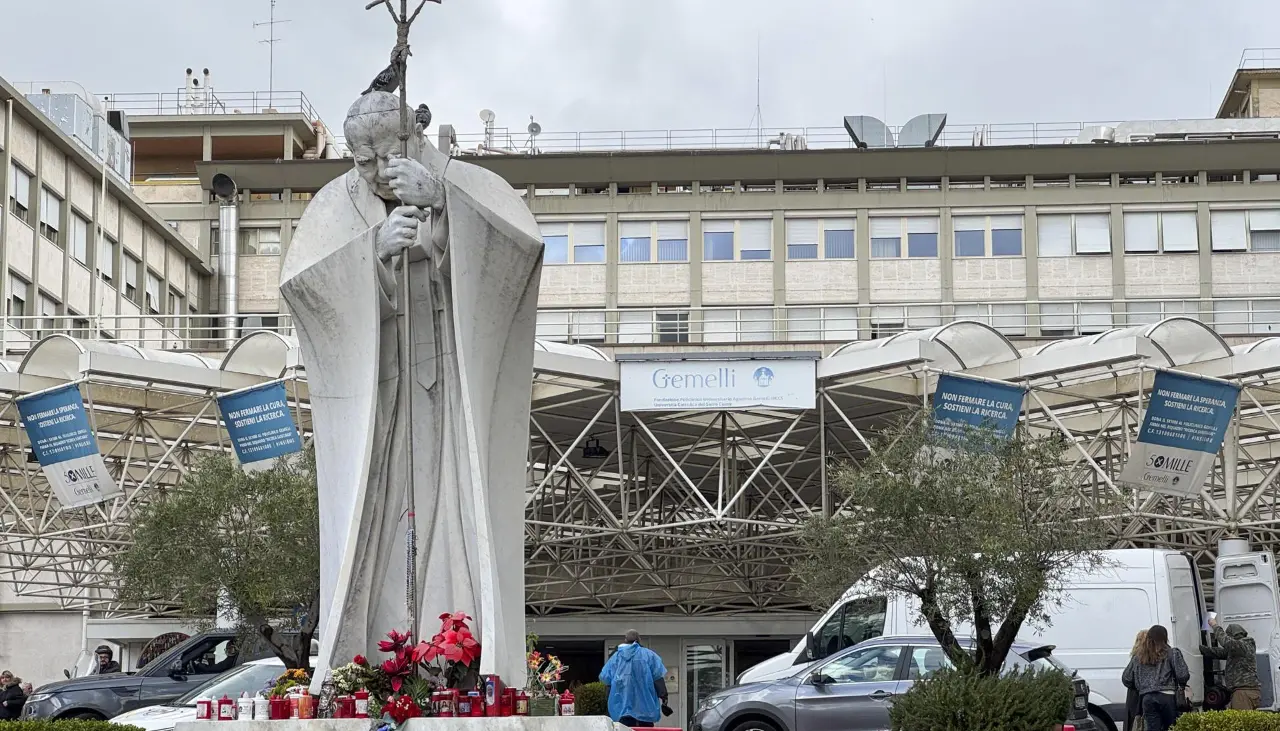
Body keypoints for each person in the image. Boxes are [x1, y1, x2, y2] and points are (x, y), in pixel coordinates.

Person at [284, 89, 542, 689]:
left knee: (454, 504)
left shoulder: (469, 183)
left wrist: (447, 208)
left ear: (415, 140)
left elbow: (519, 254)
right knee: (377, 512)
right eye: (360, 159)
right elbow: (303, 289)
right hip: (378, 393)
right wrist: (369, 255)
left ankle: (459, 655)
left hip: (453, 388)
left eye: (385, 156)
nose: (373, 172)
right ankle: (374, 664)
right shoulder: (335, 205)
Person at [1122, 625, 1190, 731]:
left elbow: (1126, 678)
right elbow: (1183, 675)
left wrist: (1141, 686)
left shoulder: (1138, 656)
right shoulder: (1172, 653)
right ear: (1165, 638)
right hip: (1168, 697)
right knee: (1172, 728)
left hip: (1147, 698)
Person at [600, 630, 668, 728]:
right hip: (646, 710)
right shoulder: (649, 656)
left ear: (625, 640)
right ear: (639, 640)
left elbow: (607, 681)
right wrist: (664, 698)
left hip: (622, 709)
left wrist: (609, 703)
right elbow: (658, 679)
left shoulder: (616, 658)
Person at [1201, 617, 1261, 710]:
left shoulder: (1244, 644)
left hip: (1243, 692)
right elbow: (1220, 652)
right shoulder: (1238, 649)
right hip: (1241, 691)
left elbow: (1227, 643)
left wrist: (1215, 626)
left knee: (1241, 722)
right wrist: (1201, 649)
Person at [1125, 630, 1147, 731]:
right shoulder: (1152, 656)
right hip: (1143, 696)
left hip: (1134, 696)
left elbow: (1126, 678)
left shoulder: (1136, 657)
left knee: (1135, 723)